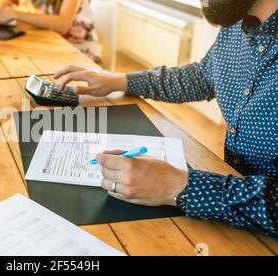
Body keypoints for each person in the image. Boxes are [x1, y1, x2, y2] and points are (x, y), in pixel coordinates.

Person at [54, 0, 278, 237]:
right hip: (231, 214)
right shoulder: (237, 22)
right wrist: (119, 81)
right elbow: (202, 76)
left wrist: (179, 186)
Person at [0, 0, 101, 63]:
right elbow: (12, 2)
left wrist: (13, 14)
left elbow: (63, 24)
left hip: (81, 55)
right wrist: (3, 10)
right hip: (55, 47)